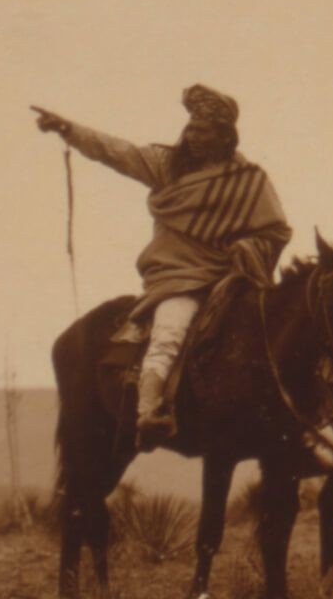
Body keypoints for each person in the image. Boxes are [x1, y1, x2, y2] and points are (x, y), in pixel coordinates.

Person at [34, 85, 292, 449]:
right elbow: (116, 151)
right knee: (169, 333)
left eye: (203, 131)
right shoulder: (167, 167)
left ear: (224, 137)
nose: (193, 137)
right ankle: (149, 412)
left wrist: (246, 247)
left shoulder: (250, 181)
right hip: (178, 281)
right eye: (191, 128)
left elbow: (275, 230)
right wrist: (69, 130)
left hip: (232, 277)